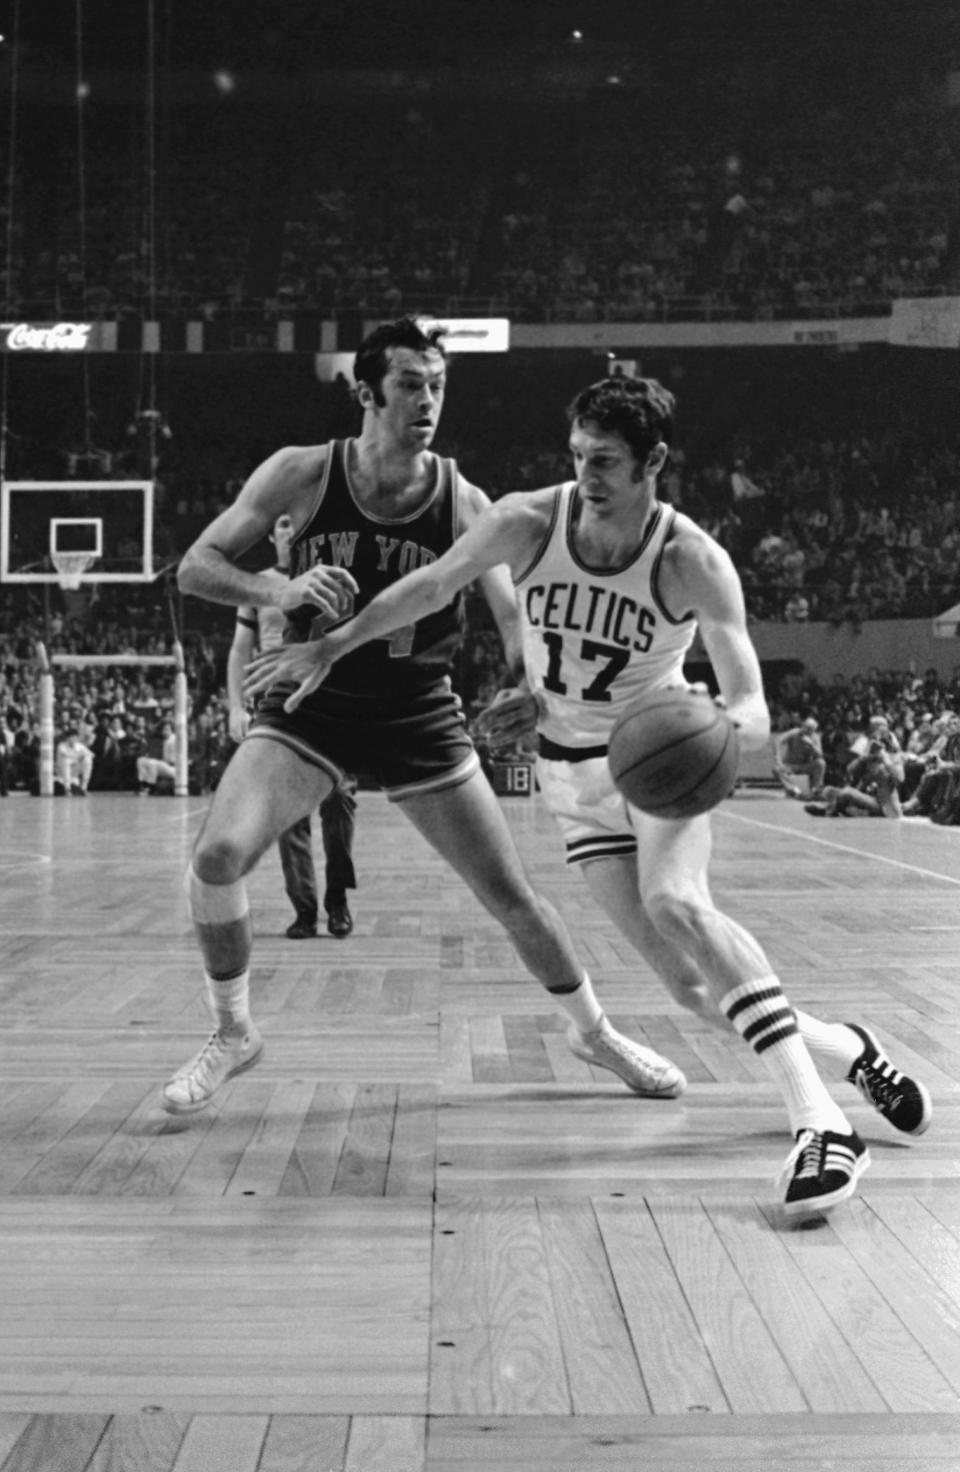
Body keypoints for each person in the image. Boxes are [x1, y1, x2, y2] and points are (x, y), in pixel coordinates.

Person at [249, 374, 932, 1218]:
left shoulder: (693, 558)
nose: (586, 475)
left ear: (654, 464)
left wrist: (734, 725)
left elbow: (749, 689)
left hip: (656, 761)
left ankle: (821, 1123)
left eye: (605, 461)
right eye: (576, 456)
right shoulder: (530, 520)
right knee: (690, 992)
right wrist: (337, 645)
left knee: (678, 904)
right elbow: (429, 588)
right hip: (570, 775)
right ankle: (848, 1048)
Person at [164, 317, 683, 1121]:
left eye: (438, 386)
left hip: (416, 712)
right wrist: (280, 590)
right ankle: (232, 1033)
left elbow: (514, 614)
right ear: (368, 393)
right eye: (412, 384)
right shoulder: (303, 473)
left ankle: (596, 1032)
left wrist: (530, 682)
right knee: (218, 855)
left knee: (510, 895)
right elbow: (196, 567)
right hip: (313, 705)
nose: (429, 401)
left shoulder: (461, 497)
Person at [226, 514, 358, 939]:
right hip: (279, 703)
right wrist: (234, 705)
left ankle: (337, 898)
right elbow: (239, 650)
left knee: (339, 803)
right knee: (287, 817)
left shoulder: (331, 576)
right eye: (282, 523)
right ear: (272, 534)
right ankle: (304, 909)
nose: (290, 530)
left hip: (334, 702)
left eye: (296, 523)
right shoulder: (257, 585)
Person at [773, 715, 826, 798]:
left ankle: (816, 790)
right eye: (806, 727)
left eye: (810, 729)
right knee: (777, 769)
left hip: (805, 765)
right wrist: (778, 760)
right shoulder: (794, 732)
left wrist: (811, 744)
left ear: (813, 730)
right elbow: (778, 741)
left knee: (821, 763)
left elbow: (820, 755)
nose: (807, 730)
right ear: (803, 726)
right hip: (791, 765)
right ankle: (794, 790)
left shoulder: (815, 737)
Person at [56, 728, 93, 795]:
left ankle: (83, 788)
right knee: (66, 760)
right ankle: (67, 789)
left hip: (74, 770)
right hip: (63, 771)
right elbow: (65, 755)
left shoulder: (79, 746)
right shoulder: (61, 746)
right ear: (67, 738)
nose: (73, 739)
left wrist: (84, 756)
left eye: (75, 737)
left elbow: (91, 754)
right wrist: (78, 757)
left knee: (88, 759)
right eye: (71, 737)